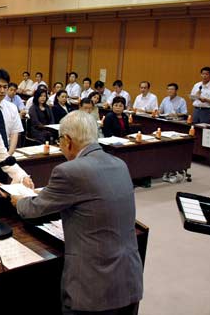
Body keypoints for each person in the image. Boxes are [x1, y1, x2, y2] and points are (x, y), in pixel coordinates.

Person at [11, 110, 143, 315]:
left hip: (93, 289)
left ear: (68, 140)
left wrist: (19, 201)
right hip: (129, 279)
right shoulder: (119, 164)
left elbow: (34, 209)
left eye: (59, 142)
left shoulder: (69, 171)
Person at [0, 68, 24, 155]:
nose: (2, 91)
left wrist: (9, 154)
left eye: (5, 87)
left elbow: (15, 133)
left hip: (6, 153)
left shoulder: (12, 108)